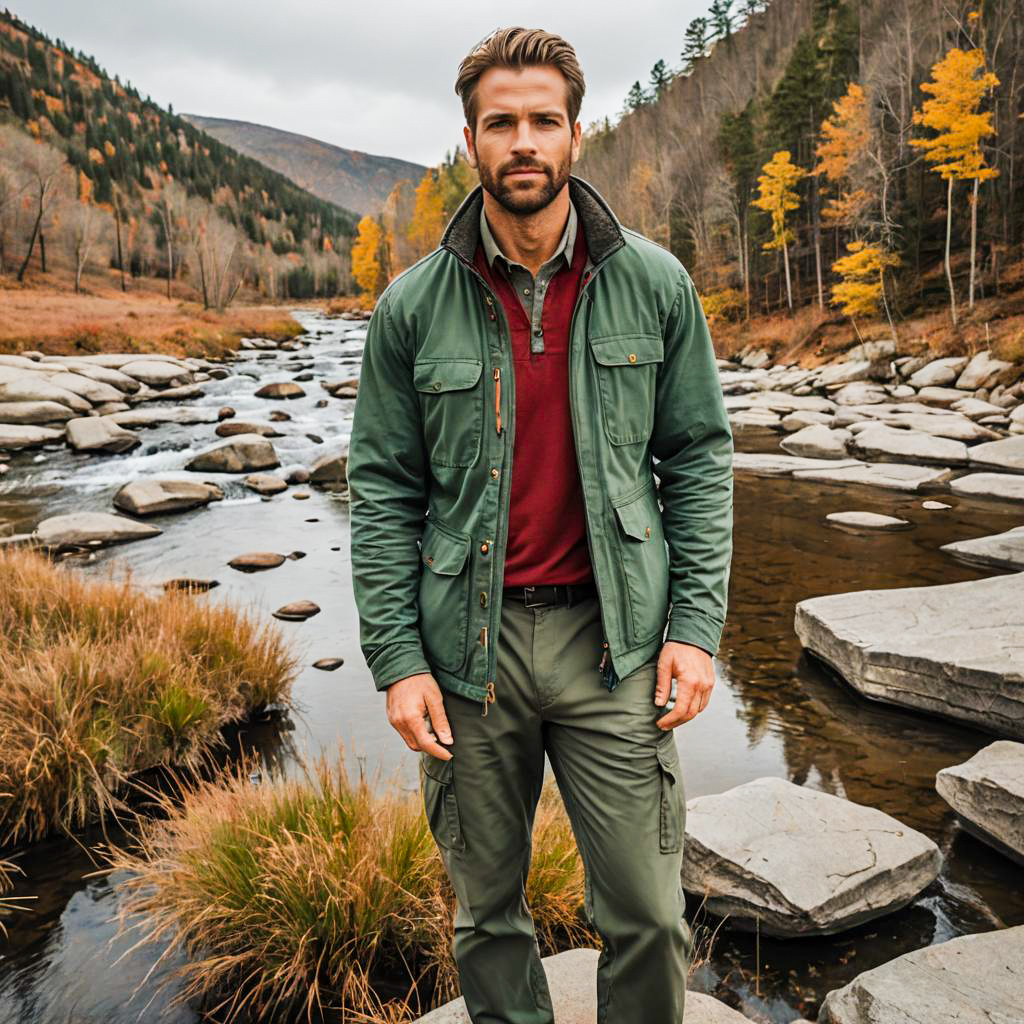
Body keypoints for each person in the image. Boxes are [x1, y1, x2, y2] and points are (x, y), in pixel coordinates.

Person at [347, 25, 733, 1024]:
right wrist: (396, 659)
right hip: (464, 650)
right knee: (487, 913)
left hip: (616, 645)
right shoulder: (410, 307)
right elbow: (383, 488)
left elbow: (697, 456)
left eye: (543, 121)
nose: (524, 141)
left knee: (648, 910)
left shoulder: (652, 283)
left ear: (574, 134)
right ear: (470, 139)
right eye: (501, 122)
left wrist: (693, 630)